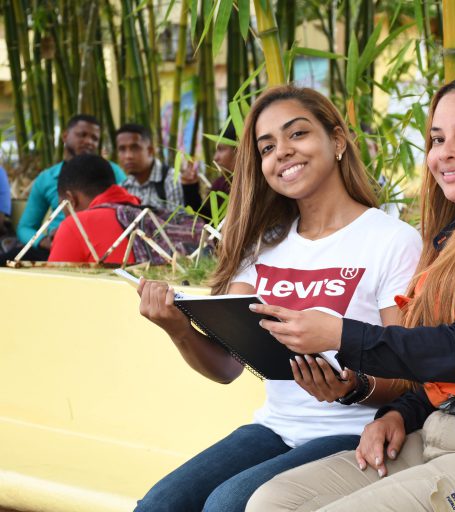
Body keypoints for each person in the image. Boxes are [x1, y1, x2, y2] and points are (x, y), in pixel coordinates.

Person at [245, 72, 455, 511]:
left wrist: (339, 334)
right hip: (440, 436)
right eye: (437, 139)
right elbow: (439, 366)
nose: (445, 152)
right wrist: (400, 413)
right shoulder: (453, 243)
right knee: (273, 501)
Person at [134, 85, 422, 512]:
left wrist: (351, 387)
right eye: (267, 147)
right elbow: (227, 367)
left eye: (297, 134)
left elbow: (409, 371)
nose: (282, 152)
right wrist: (178, 329)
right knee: (160, 505)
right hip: (275, 429)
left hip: (355, 431)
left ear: (337, 141)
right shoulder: (262, 245)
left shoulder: (392, 240)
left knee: (227, 505)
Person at [15, 114, 125, 258]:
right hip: (54, 244)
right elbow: (25, 227)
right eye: (82, 135)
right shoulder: (47, 177)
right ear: (65, 136)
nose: (89, 142)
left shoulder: (112, 171)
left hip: (101, 244)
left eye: (94, 138)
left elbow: (126, 212)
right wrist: (42, 241)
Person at [48, 154, 141, 264]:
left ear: (71, 200)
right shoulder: (148, 215)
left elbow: (54, 275)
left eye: (62, 207)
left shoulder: (76, 225)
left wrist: (67, 232)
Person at [117, 124, 202, 212]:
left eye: (135, 148)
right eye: (122, 149)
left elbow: (178, 219)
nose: (128, 156)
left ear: (150, 150)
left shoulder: (172, 180)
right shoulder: (123, 187)